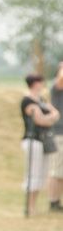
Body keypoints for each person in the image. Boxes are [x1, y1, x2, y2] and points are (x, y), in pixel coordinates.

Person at [21, 73, 60, 215]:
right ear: (34, 83)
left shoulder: (41, 100)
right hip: (33, 140)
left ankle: (34, 206)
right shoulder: (27, 100)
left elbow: (55, 113)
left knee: (41, 174)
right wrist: (49, 118)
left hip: (43, 140)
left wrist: (47, 117)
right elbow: (39, 120)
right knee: (33, 174)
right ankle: (30, 207)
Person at [49, 64, 63, 211]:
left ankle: (57, 201)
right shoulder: (56, 88)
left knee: (61, 171)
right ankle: (53, 201)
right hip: (59, 133)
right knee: (56, 170)